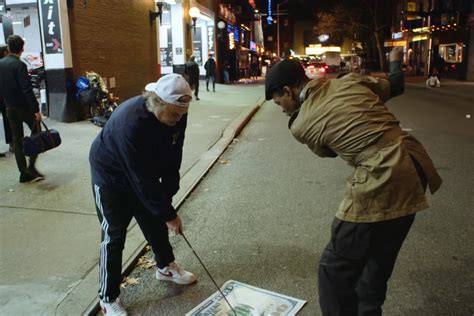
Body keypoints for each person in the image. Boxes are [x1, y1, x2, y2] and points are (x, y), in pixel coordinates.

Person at [265, 47, 442, 316]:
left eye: (279, 103)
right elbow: (395, 85)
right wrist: (394, 61)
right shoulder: (349, 81)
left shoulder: (300, 124)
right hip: (414, 164)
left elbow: (327, 151)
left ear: (288, 91)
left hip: (381, 175)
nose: (281, 109)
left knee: (334, 269)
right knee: (378, 261)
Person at [89, 74, 197, 316]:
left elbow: (173, 156)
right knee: (114, 234)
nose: (179, 119)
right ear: (157, 103)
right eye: (174, 114)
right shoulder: (131, 122)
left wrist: (167, 200)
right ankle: (108, 298)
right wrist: (168, 214)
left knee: (154, 220)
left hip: (142, 169)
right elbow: (140, 178)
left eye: (182, 114)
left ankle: (165, 266)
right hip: (111, 176)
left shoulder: (178, 115)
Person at [0, 35, 43, 182]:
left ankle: (23, 173)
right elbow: (26, 90)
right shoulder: (19, 65)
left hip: (9, 108)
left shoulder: (1, 64)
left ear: (8, 48)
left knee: (16, 139)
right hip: (24, 108)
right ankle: (31, 166)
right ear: (22, 49)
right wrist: (36, 110)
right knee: (37, 131)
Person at [0, 44, 12, 157]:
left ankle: (12, 143)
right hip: (4, 98)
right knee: (8, 120)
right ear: (4, 52)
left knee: (7, 120)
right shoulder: (5, 65)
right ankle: (13, 144)